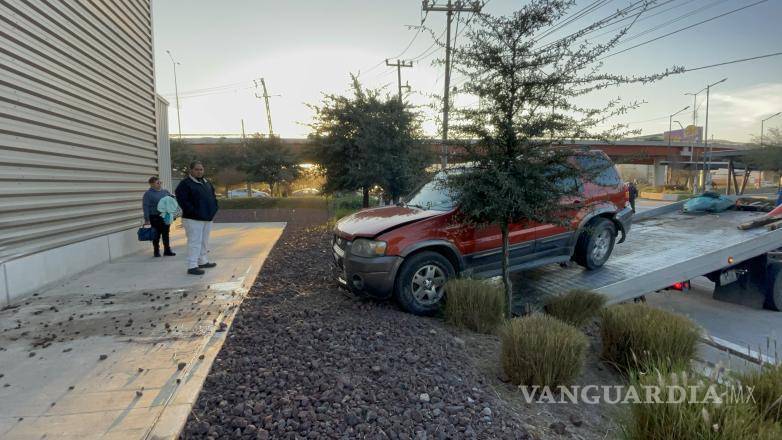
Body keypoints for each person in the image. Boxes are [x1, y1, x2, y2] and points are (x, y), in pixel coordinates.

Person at [175, 161, 219, 275]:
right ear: (191, 170)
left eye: (201, 169)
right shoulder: (185, 184)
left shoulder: (207, 182)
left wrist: (214, 208)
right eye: (196, 169)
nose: (199, 171)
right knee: (194, 242)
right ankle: (192, 266)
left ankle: (202, 261)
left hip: (207, 218)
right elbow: (183, 201)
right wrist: (194, 212)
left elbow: (213, 197)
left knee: (204, 241)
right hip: (193, 219)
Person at [143, 176, 176, 257]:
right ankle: (156, 251)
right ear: (151, 184)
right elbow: (145, 206)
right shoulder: (148, 194)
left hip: (166, 216)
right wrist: (147, 219)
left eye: (160, 182)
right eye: (157, 183)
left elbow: (171, 200)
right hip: (154, 217)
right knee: (156, 234)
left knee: (166, 233)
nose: (159, 184)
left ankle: (167, 250)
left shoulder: (165, 191)